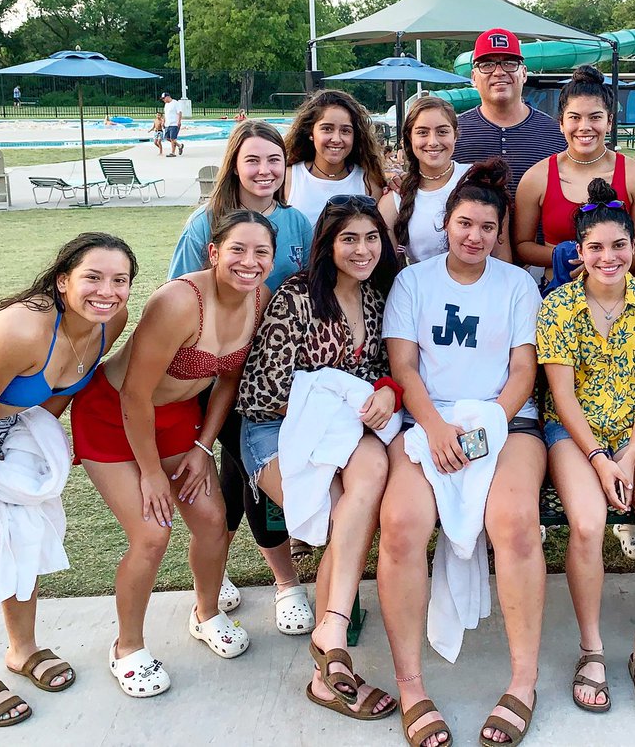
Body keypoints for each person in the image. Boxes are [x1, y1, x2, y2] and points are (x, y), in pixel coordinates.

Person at [0, 233, 136, 727]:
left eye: (120, 280)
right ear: (63, 281)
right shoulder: (21, 330)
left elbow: (59, 393)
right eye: (92, 277)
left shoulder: (110, 323)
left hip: (5, 428)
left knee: (25, 535)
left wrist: (37, 446)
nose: (106, 291)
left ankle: (21, 650)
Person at [70, 211, 273, 696]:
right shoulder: (178, 302)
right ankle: (128, 647)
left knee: (210, 518)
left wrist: (203, 446)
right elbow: (134, 394)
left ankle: (206, 612)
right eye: (238, 250)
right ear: (214, 253)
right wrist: (150, 473)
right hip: (114, 415)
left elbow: (228, 377)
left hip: (178, 419)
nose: (249, 262)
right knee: (151, 534)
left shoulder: (258, 297)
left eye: (261, 252)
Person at [380, 159, 545, 747]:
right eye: (463, 223)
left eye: (486, 227)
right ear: (445, 223)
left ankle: (523, 683)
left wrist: (487, 430)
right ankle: (411, 686)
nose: (473, 236)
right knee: (400, 525)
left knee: (516, 523)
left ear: (500, 232)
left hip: (507, 419)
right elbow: (404, 366)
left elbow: (524, 369)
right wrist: (439, 429)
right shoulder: (413, 282)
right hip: (429, 419)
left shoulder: (517, 285)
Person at [238, 196, 401, 721]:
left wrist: (385, 391)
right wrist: (346, 398)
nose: (362, 249)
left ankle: (328, 639)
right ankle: (328, 657)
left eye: (371, 237)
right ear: (328, 244)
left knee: (373, 471)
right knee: (342, 516)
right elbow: (270, 387)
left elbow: (381, 367)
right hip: (277, 432)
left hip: (345, 434)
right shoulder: (296, 296)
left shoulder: (377, 300)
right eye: (349, 238)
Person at [537, 179, 635, 715]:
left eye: (618, 245)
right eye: (594, 247)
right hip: (575, 435)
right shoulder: (559, 307)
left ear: (633, 248)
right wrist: (600, 459)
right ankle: (592, 647)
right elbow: (563, 396)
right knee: (590, 524)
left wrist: (630, 456)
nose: (608, 257)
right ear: (579, 251)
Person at [168, 120, 314, 629]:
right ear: (235, 164)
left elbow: (314, 295)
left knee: (237, 478)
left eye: (274, 160)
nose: (264, 170)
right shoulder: (202, 226)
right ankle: (283, 581)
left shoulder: (297, 224)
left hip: (276, 381)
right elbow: (179, 302)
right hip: (215, 378)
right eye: (252, 160)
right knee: (244, 476)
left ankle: (220, 573)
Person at [515, 67, 635, 284]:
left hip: (621, 298)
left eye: (595, 117)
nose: (584, 127)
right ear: (561, 123)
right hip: (557, 294)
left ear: (609, 122)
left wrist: (599, 261)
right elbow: (522, 245)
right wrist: (566, 256)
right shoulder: (537, 177)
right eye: (575, 117)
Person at [453, 28, 566, 197]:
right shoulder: (452, 134)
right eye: (487, 65)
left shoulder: (556, 134)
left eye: (509, 63)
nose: (499, 72)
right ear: (474, 78)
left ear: (524, 73)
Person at [378, 95, 479, 264]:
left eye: (442, 132)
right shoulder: (395, 197)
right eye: (422, 132)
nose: (433, 142)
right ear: (410, 138)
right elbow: (385, 265)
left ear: (455, 135)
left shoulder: (477, 179)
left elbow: (501, 256)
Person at [284, 89, 386, 228]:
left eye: (345, 131)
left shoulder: (369, 183)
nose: (336, 139)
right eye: (327, 129)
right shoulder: (288, 178)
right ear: (310, 132)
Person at [161, 92, 185, 157]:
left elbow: (179, 112)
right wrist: (163, 122)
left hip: (174, 124)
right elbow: (165, 114)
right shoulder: (166, 105)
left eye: (164, 98)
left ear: (167, 97)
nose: (163, 100)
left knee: (172, 138)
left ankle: (173, 152)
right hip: (167, 124)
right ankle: (179, 146)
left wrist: (179, 122)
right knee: (167, 138)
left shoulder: (175, 103)